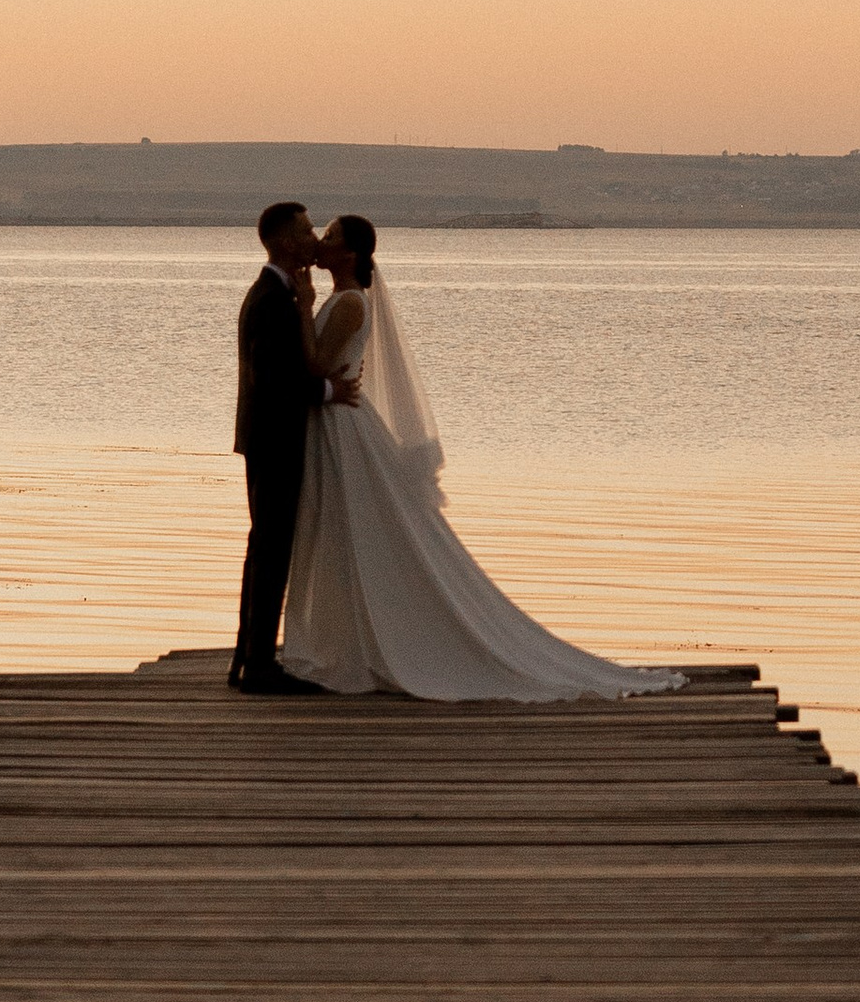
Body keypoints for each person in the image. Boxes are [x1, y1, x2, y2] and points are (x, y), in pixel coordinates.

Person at [279, 215, 681, 701]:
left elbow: (319, 365)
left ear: (350, 254)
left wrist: (304, 309)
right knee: (345, 532)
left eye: (331, 237)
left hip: (343, 426)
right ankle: (352, 634)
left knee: (361, 529)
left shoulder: (347, 303)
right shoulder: (342, 300)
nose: (321, 243)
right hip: (334, 420)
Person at [229, 200, 361, 694]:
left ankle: (249, 658)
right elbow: (273, 380)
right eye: (306, 231)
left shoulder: (279, 294)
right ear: (285, 242)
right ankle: (259, 665)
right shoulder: (270, 300)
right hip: (274, 438)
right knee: (270, 549)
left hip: (268, 436)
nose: (313, 240)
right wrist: (330, 392)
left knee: (264, 548)